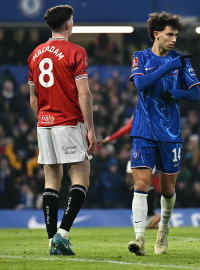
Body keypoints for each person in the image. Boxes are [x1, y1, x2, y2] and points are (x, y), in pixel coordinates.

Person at [127, 12, 200, 256]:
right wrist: (169, 66)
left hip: (170, 133)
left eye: (176, 35)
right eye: (169, 34)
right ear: (156, 34)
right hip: (144, 130)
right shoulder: (141, 57)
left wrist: (178, 93)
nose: (173, 39)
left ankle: (163, 232)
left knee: (168, 189)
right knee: (141, 184)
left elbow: (197, 94)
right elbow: (140, 85)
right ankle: (139, 239)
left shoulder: (182, 61)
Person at [27, 5, 96, 255]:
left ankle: (50, 242)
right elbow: (84, 93)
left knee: (51, 181)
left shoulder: (35, 54)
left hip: (44, 123)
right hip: (68, 121)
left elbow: (33, 100)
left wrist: (45, 121)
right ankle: (62, 234)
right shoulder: (76, 52)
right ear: (68, 24)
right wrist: (90, 128)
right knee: (80, 178)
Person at [101, 116, 161, 228]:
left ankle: (152, 214)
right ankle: (151, 215)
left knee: (143, 181)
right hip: (137, 148)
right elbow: (127, 127)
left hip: (149, 149)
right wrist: (110, 138)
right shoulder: (139, 109)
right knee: (131, 182)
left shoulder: (153, 108)